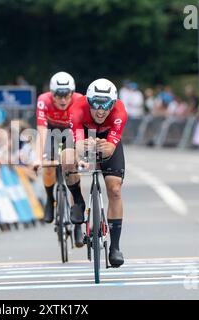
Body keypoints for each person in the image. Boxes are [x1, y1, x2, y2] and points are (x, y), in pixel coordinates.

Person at [64, 78, 127, 268]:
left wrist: (106, 147)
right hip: (83, 135)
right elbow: (78, 143)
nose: (100, 110)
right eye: (95, 104)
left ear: (113, 103)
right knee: (66, 158)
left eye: (106, 105)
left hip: (107, 140)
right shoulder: (76, 108)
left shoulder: (120, 111)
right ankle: (78, 200)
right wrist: (83, 147)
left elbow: (109, 149)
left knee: (114, 189)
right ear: (88, 101)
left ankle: (114, 247)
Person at [34, 71, 84, 247]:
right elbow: (41, 131)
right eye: (58, 96)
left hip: (72, 133)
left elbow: (80, 132)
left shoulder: (80, 100)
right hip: (51, 133)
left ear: (72, 93)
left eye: (66, 95)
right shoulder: (43, 100)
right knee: (48, 167)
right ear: (51, 94)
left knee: (72, 172)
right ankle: (50, 199)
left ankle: (78, 225)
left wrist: (81, 156)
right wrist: (39, 158)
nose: (63, 100)